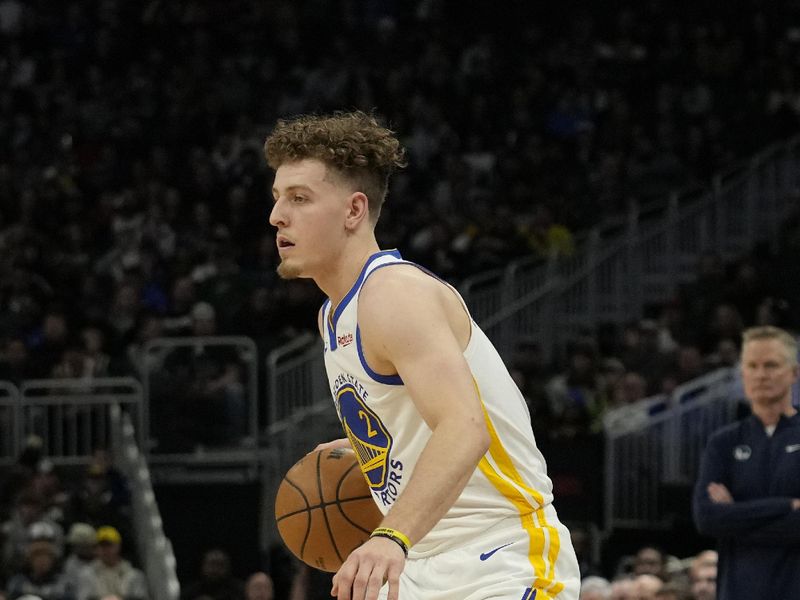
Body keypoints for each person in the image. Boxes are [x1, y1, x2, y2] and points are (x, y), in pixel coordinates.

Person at [265, 111, 579, 600]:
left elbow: (464, 427)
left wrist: (390, 535)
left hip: (499, 556)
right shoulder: (333, 316)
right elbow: (421, 420)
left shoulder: (394, 294)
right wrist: (374, 449)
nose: (277, 215)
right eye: (277, 198)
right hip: (419, 567)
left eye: (299, 198)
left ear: (353, 210)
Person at [692, 325, 800, 600]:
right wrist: (786, 506)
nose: (761, 375)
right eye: (752, 366)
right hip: (738, 590)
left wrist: (736, 515)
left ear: (794, 373)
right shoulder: (723, 442)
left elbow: (723, 520)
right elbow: (707, 518)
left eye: (771, 365)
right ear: (742, 374)